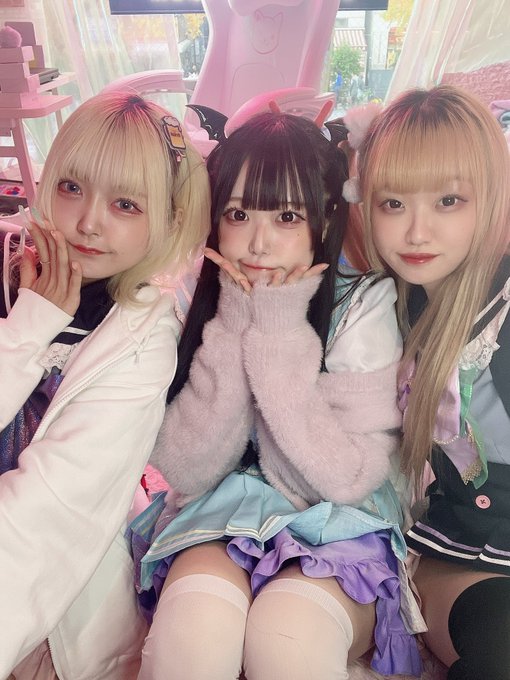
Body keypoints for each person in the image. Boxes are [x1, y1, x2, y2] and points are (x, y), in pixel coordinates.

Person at [129, 110, 424, 680]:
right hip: (223, 511)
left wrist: (280, 328)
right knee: (195, 630)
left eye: (287, 216)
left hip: (340, 522)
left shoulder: (362, 305)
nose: (259, 243)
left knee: (287, 639)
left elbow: (341, 479)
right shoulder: (193, 294)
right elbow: (187, 469)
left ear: (325, 216)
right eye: (238, 214)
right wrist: (236, 319)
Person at [0, 91, 210, 679]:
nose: (89, 222)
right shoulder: (10, 270)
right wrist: (28, 328)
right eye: (72, 187)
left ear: (169, 220)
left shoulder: (142, 339)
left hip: (48, 614)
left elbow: (47, 514)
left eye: (125, 204)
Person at [357, 85, 510, 680]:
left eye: (448, 200)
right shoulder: (383, 307)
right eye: (394, 203)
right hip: (463, 553)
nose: (417, 232)